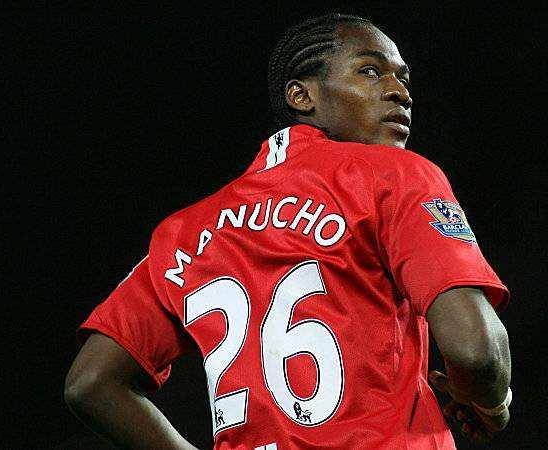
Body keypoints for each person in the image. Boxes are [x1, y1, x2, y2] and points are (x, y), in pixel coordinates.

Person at [64, 13, 512, 449]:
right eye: (370, 71)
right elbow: (476, 353)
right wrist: (490, 399)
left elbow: (91, 383)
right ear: (302, 96)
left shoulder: (183, 232)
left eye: (403, 78)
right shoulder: (394, 175)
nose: (399, 92)